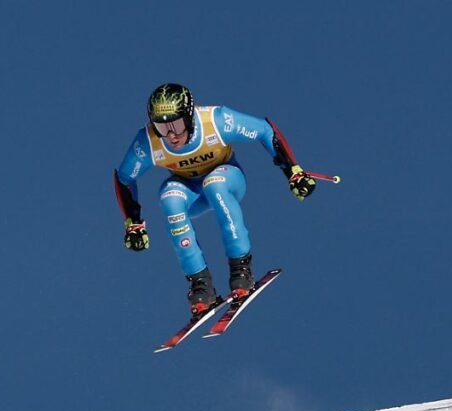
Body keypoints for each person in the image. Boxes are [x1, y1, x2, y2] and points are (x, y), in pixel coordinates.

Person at [114, 83, 316, 318]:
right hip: (190, 190)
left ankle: (241, 268)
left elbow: (263, 129)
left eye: (177, 124)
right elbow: (125, 177)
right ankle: (200, 285)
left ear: (189, 117)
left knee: (214, 184)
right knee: (169, 198)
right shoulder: (148, 141)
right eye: (161, 126)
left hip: (227, 178)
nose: (171, 135)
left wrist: (293, 171)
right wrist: (133, 223)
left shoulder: (216, 121)